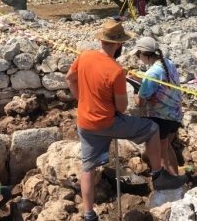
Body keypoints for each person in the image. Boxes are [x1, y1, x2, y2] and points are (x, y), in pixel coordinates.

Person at [65, 20, 187, 221]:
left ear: (102, 40)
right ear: (119, 44)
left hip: (86, 123)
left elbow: (70, 78)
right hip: (108, 122)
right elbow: (121, 108)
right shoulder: (116, 71)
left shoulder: (85, 56)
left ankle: (88, 214)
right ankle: (158, 176)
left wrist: (83, 100)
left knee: (87, 168)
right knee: (152, 129)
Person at [131, 37, 183, 175]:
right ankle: (176, 177)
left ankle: (167, 182)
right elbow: (160, 82)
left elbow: (140, 103)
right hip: (175, 115)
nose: (138, 58)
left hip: (161, 118)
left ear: (144, 54)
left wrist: (135, 92)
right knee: (167, 148)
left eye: (138, 55)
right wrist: (142, 79)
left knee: (160, 154)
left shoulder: (151, 73)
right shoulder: (168, 63)